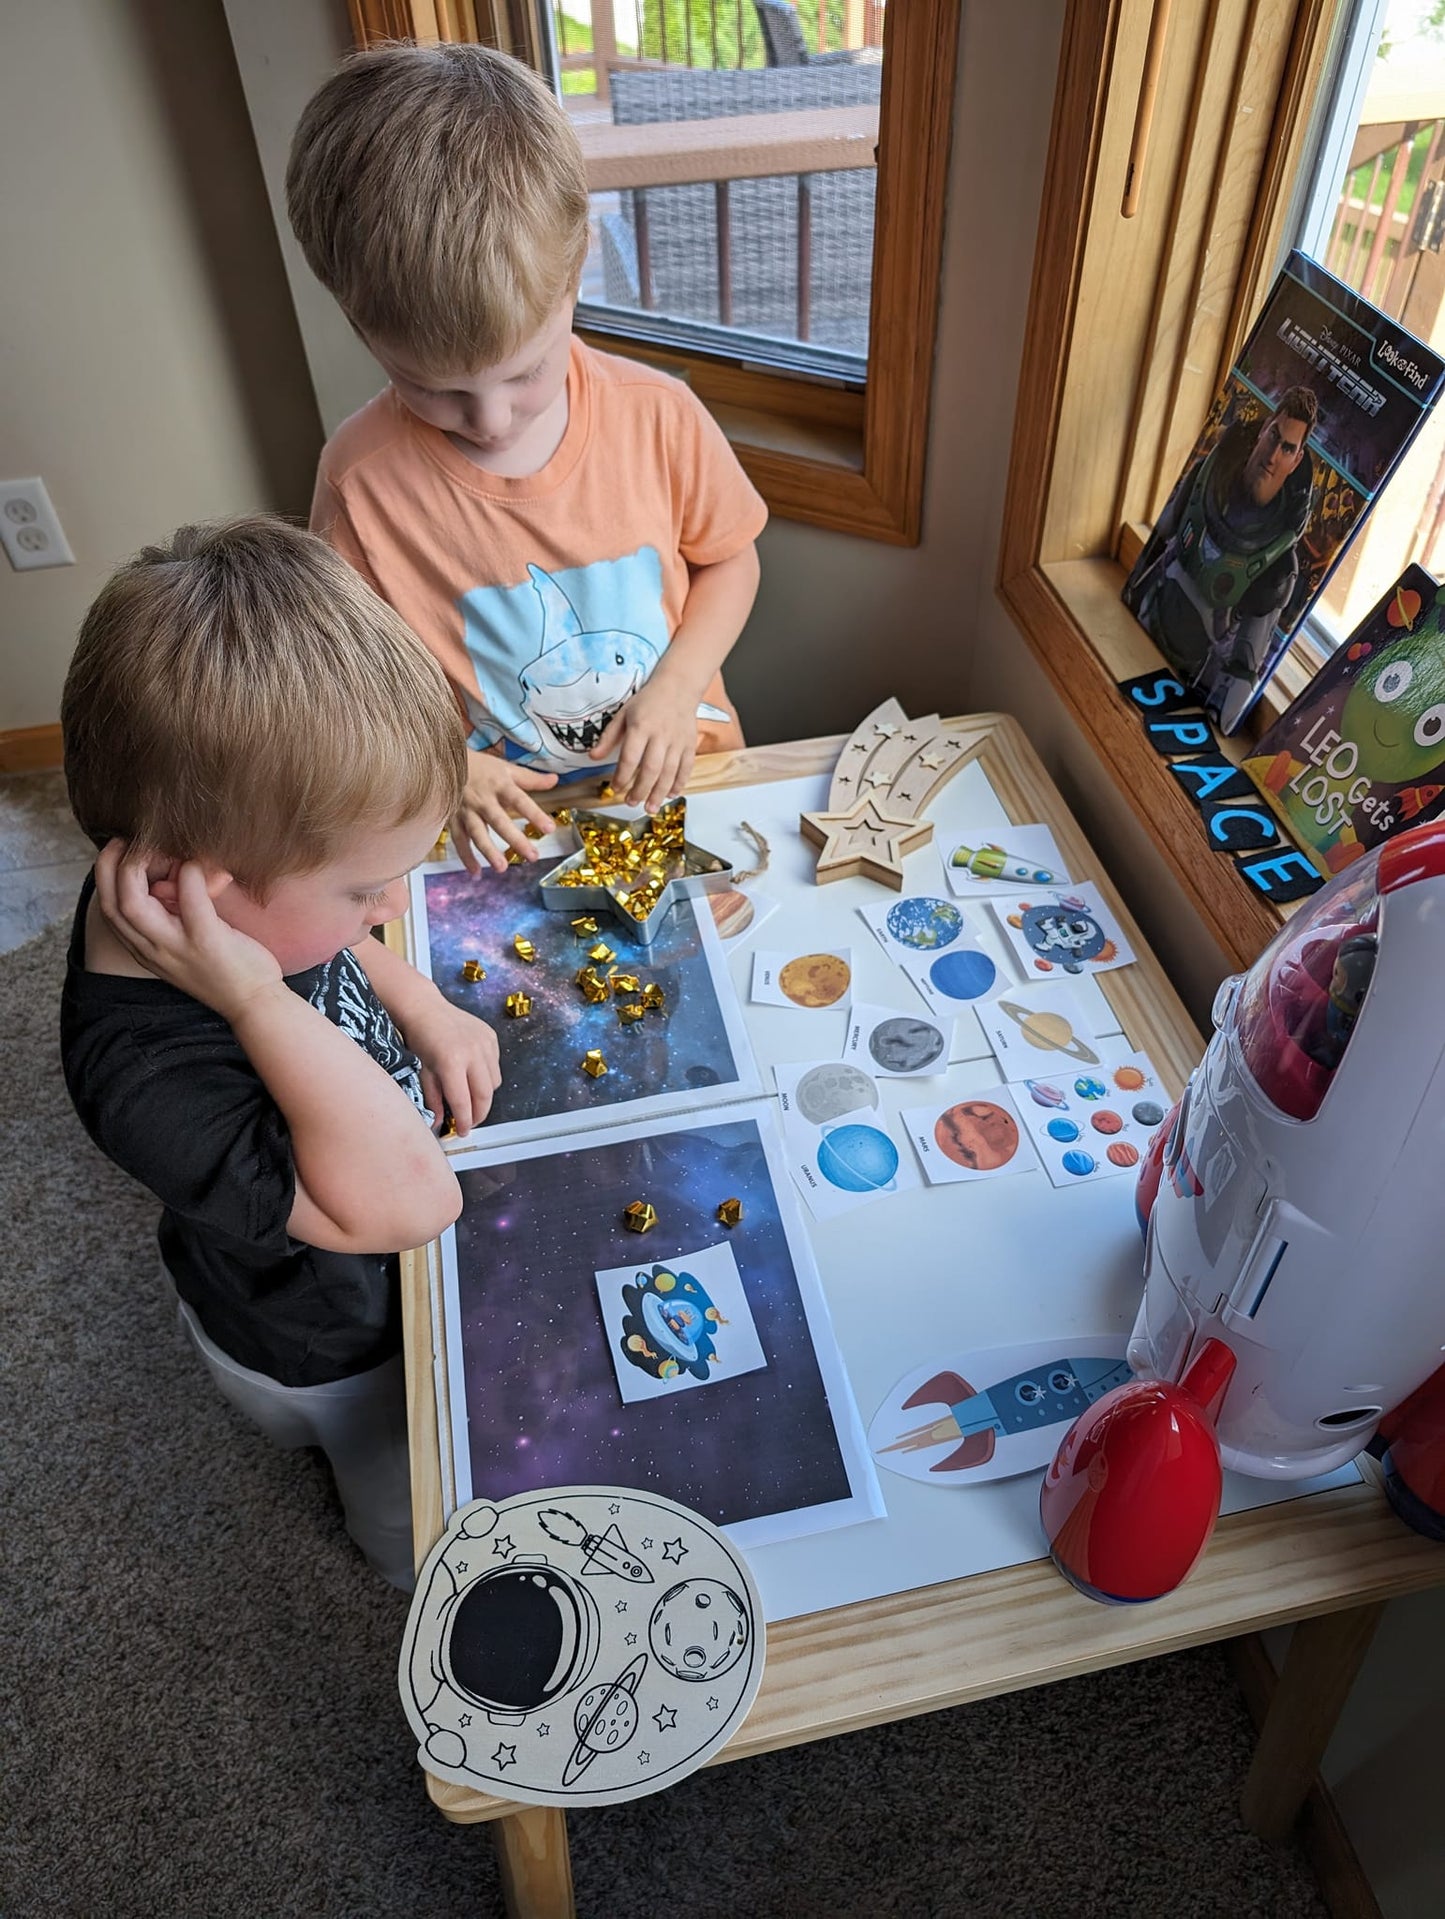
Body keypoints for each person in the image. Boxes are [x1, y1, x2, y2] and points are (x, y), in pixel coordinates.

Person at [59, 518, 501, 1591]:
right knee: (403, 1481)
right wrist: (257, 996)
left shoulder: (195, 893)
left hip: (368, 1273)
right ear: (185, 892)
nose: (391, 909)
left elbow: (332, 948)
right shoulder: (145, 1075)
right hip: (319, 1340)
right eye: (362, 889)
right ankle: (402, 1560)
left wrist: (416, 1000)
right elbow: (406, 1203)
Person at [286, 42, 767, 876]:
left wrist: (677, 684)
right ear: (358, 325)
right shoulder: (358, 480)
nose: (491, 419)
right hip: (495, 819)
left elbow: (731, 561)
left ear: (576, 268)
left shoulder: (658, 415)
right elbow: (358, 677)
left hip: (682, 771)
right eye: (432, 388)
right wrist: (449, 765)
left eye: (526, 371)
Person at [1126, 385, 1318, 731]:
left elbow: (1243, 667)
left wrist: (1207, 726)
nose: (1274, 454)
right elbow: (1155, 549)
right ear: (1263, 429)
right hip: (1141, 621)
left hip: (1188, 681)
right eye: (1274, 435)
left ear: (1297, 459)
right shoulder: (1206, 478)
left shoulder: (1276, 566)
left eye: (1287, 447)